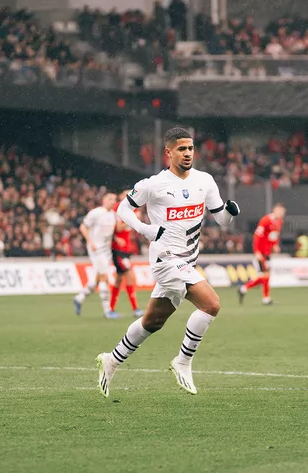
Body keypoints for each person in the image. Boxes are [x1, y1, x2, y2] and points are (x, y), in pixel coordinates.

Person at [96, 127, 240, 397]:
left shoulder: (205, 181)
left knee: (152, 322)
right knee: (211, 304)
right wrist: (146, 230)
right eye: (181, 149)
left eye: (190, 148)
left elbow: (221, 219)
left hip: (187, 261)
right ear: (168, 152)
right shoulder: (154, 184)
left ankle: (111, 360)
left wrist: (230, 214)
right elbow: (122, 208)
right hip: (166, 260)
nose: (187, 153)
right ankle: (183, 361)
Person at [74, 192, 120, 319]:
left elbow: (109, 233)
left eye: (114, 199)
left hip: (106, 250)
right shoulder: (96, 213)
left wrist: (116, 239)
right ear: (103, 200)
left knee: (98, 278)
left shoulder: (113, 215)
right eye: (110, 199)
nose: (112, 201)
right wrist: (90, 241)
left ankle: (79, 298)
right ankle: (107, 310)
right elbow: (83, 227)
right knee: (104, 277)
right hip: (96, 249)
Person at [238, 203, 285, 305]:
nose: (281, 214)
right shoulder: (266, 220)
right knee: (265, 275)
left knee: (265, 276)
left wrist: (275, 245)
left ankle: (244, 289)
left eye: (283, 212)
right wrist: (256, 251)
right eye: (280, 211)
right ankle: (265, 298)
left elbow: (275, 236)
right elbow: (257, 236)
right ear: (275, 210)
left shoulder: (279, 222)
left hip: (268, 252)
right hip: (261, 252)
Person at [110, 190, 144, 318]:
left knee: (119, 279)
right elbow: (118, 228)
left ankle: (111, 308)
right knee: (129, 275)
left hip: (125, 249)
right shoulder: (119, 208)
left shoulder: (132, 209)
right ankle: (135, 308)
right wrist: (133, 220)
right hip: (117, 248)